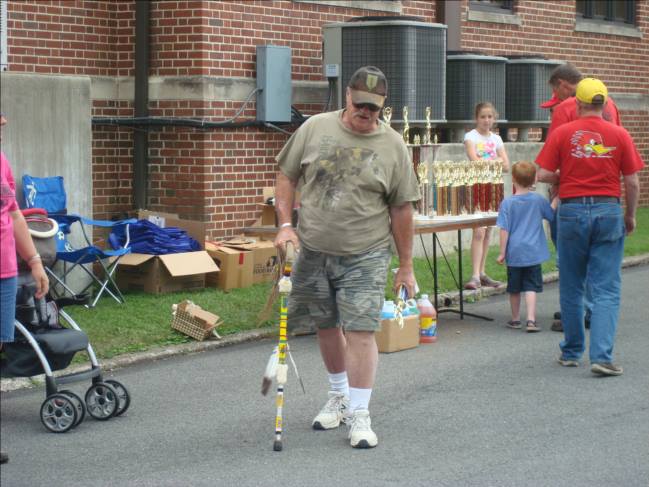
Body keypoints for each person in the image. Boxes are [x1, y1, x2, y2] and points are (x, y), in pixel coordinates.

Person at [273, 66, 420, 448]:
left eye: (374, 108)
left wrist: (405, 266)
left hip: (365, 253)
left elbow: (402, 208)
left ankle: (359, 413)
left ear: (383, 107)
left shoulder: (393, 146)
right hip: (313, 250)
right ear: (347, 97)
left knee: (360, 331)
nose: (365, 113)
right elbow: (286, 175)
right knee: (326, 325)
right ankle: (338, 396)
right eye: (360, 105)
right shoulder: (315, 128)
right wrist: (285, 225)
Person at [537, 78, 644, 376]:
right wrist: (630, 215)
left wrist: (566, 175)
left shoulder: (563, 133)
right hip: (608, 210)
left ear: (578, 104)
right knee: (606, 287)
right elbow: (632, 182)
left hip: (571, 211)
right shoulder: (620, 134)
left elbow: (543, 173)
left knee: (571, 284)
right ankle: (602, 357)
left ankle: (572, 351)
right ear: (604, 103)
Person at [541, 63, 622, 332]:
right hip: (607, 197)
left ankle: (578, 313)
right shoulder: (611, 106)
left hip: (572, 195)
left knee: (571, 261)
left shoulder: (565, 109)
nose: (557, 99)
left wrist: (556, 186)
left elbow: (550, 163)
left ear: (564, 85)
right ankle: (592, 309)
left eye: (556, 92)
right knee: (601, 262)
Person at [0, 112, 50, 464]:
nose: (4, 122)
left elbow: (14, 213)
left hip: (4, 273)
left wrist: (34, 261)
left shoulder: (1, 160)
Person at [496, 161, 555, 332]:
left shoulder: (507, 203)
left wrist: (502, 252)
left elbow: (504, 230)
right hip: (533, 252)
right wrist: (556, 199)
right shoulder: (539, 200)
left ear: (513, 179)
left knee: (514, 288)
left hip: (514, 253)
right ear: (534, 179)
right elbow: (551, 215)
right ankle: (531, 320)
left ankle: (515, 319)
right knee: (530, 286)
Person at [463, 102, 510, 290]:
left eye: (490, 117)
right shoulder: (471, 137)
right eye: (483, 116)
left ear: (494, 118)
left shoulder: (497, 139)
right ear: (477, 118)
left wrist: (492, 162)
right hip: (478, 186)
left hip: (494, 187)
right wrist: (494, 161)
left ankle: (482, 273)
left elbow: (506, 166)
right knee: (479, 231)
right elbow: (474, 160)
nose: (486, 120)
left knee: (489, 230)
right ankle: (474, 275)